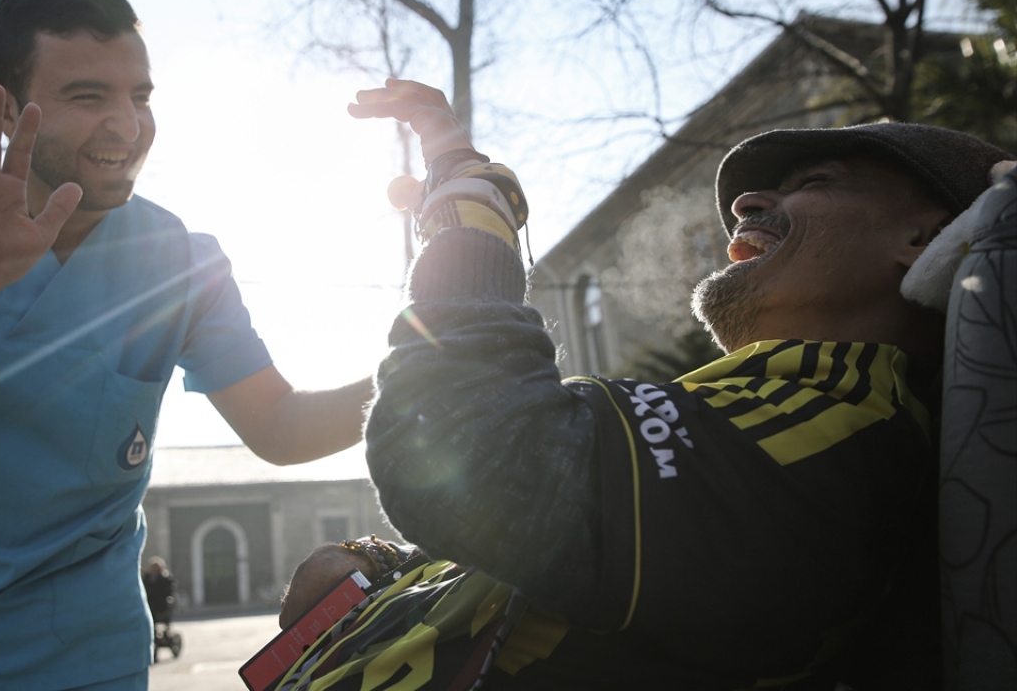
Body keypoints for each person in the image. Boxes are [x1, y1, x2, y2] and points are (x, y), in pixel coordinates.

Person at [275, 79, 1014, 689]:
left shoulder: (836, 443)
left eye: (815, 184)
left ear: (928, 243)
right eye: (753, 199)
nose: (747, 205)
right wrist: (386, 571)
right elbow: (539, 566)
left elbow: (472, 443)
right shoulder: (760, 416)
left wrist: (474, 202)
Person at [0, 0, 371, 690]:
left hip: (82, 664)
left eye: (141, 95)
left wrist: (430, 375)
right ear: (4, 109)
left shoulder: (182, 263)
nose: (127, 122)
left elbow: (279, 425)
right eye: (88, 96)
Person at [141, 557, 181, 660]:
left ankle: (166, 638)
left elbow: (169, 591)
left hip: (162, 606)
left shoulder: (166, 579)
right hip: (150, 606)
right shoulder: (146, 579)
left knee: (161, 613)